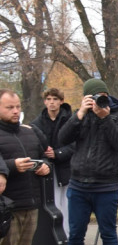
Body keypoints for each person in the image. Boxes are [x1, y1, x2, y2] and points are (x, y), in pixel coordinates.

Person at [55, 79, 118, 245]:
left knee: (108, 233)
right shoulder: (80, 118)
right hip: (79, 184)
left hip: (105, 185)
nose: (99, 100)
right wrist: (78, 114)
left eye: (102, 96)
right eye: (94, 96)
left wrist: (104, 118)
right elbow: (62, 139)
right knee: (77, 234)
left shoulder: (116, 117)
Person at [0, 90, 57, 245]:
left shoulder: (30, 133)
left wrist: (44, 167)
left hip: (31, 201)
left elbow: (45, 156)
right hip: (7, 205)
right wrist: (12, 166)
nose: (15, 111)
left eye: (17, 107)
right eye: (9, 108)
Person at [30, 87, 74, 227]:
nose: (52, 103)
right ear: (44, 101)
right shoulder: (37, 123)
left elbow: (76, 144)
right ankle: (55, 239)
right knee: (52, 204)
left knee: (68, 205)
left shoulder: (70, 120)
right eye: (48, 99)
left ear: (61, 101)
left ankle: (68, 237)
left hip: (68, 168)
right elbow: (34, 145)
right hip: (48, 169)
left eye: (55, 99)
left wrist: (58, 153)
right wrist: (45, 154)